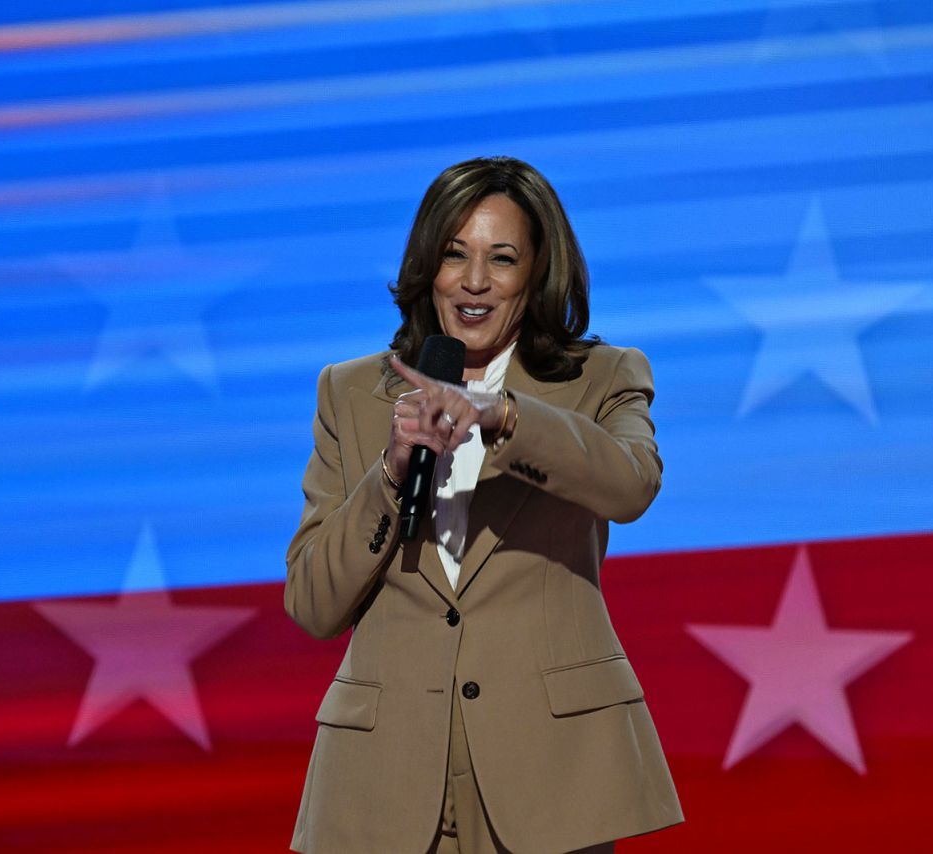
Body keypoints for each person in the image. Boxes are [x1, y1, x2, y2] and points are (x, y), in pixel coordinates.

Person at [284, 156, 683, 854]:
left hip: (549, 776)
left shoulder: (602, 377)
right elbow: (314, 602)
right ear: (425, 267)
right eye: (454, 255)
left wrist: (503, 416)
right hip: (384, 785)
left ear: (536, 273)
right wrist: (388, 473)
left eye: (501, 259)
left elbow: (630, 485)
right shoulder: (348, 392)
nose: (474, 282)